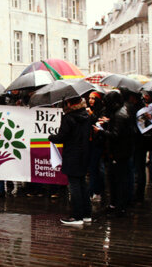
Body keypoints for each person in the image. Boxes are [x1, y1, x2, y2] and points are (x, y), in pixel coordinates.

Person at [49, 97, 92, 225]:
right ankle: (86, 214)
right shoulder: (87, 116)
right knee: (82, 184)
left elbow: (61, 137)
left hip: (72, 154)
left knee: (74, 186)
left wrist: (51, 137)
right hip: (84, 153)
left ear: (69, 103)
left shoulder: (68, 118)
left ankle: (77, 216)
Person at [97, 90, 133, 217]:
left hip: (119, 153)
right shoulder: (120, 112)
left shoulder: (119, 115)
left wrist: (100, 130)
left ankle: (119, 207)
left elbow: (115, 135)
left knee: (119, 180)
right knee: (115, 179)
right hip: (120, 152)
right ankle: (115, 204)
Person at [87, 91, 105, 202]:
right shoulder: (90, 110)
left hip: (98, 143)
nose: (90, 100)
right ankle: (94, 190)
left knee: (98, 168)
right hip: (90, 142)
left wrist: (91, 115)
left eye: (93, 98)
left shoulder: (101, 110)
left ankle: (97, 191)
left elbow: (99, 124)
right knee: (92, 168)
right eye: (89, 98)